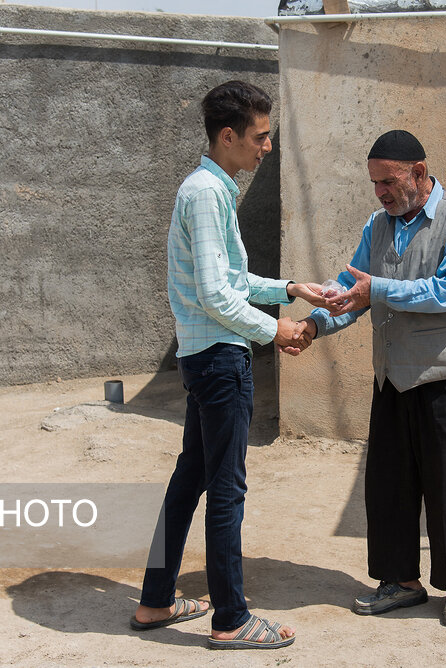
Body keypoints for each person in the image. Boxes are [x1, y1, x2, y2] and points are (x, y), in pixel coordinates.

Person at [131, 80, 322, 650]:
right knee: (226, 489)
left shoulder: (208, 188)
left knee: (190, 478)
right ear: (229, 135)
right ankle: (231, 619)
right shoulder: (207, 193)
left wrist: (290, 288)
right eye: (261, 138)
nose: (267, 148)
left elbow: (231, 281)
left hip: (204, 355)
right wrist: (277, 330)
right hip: (219, 360)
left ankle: (155, 600)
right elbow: (217, 296)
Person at [298, 130, 446, 628]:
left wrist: (374, 289)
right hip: (392, 379)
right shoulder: (378, 225)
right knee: (389, 486)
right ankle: (400, 582)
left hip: (445, 377)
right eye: (375, 183)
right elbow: (351, 291)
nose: (380, 192)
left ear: (419, 174)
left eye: (389, 181)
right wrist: (314, 324)